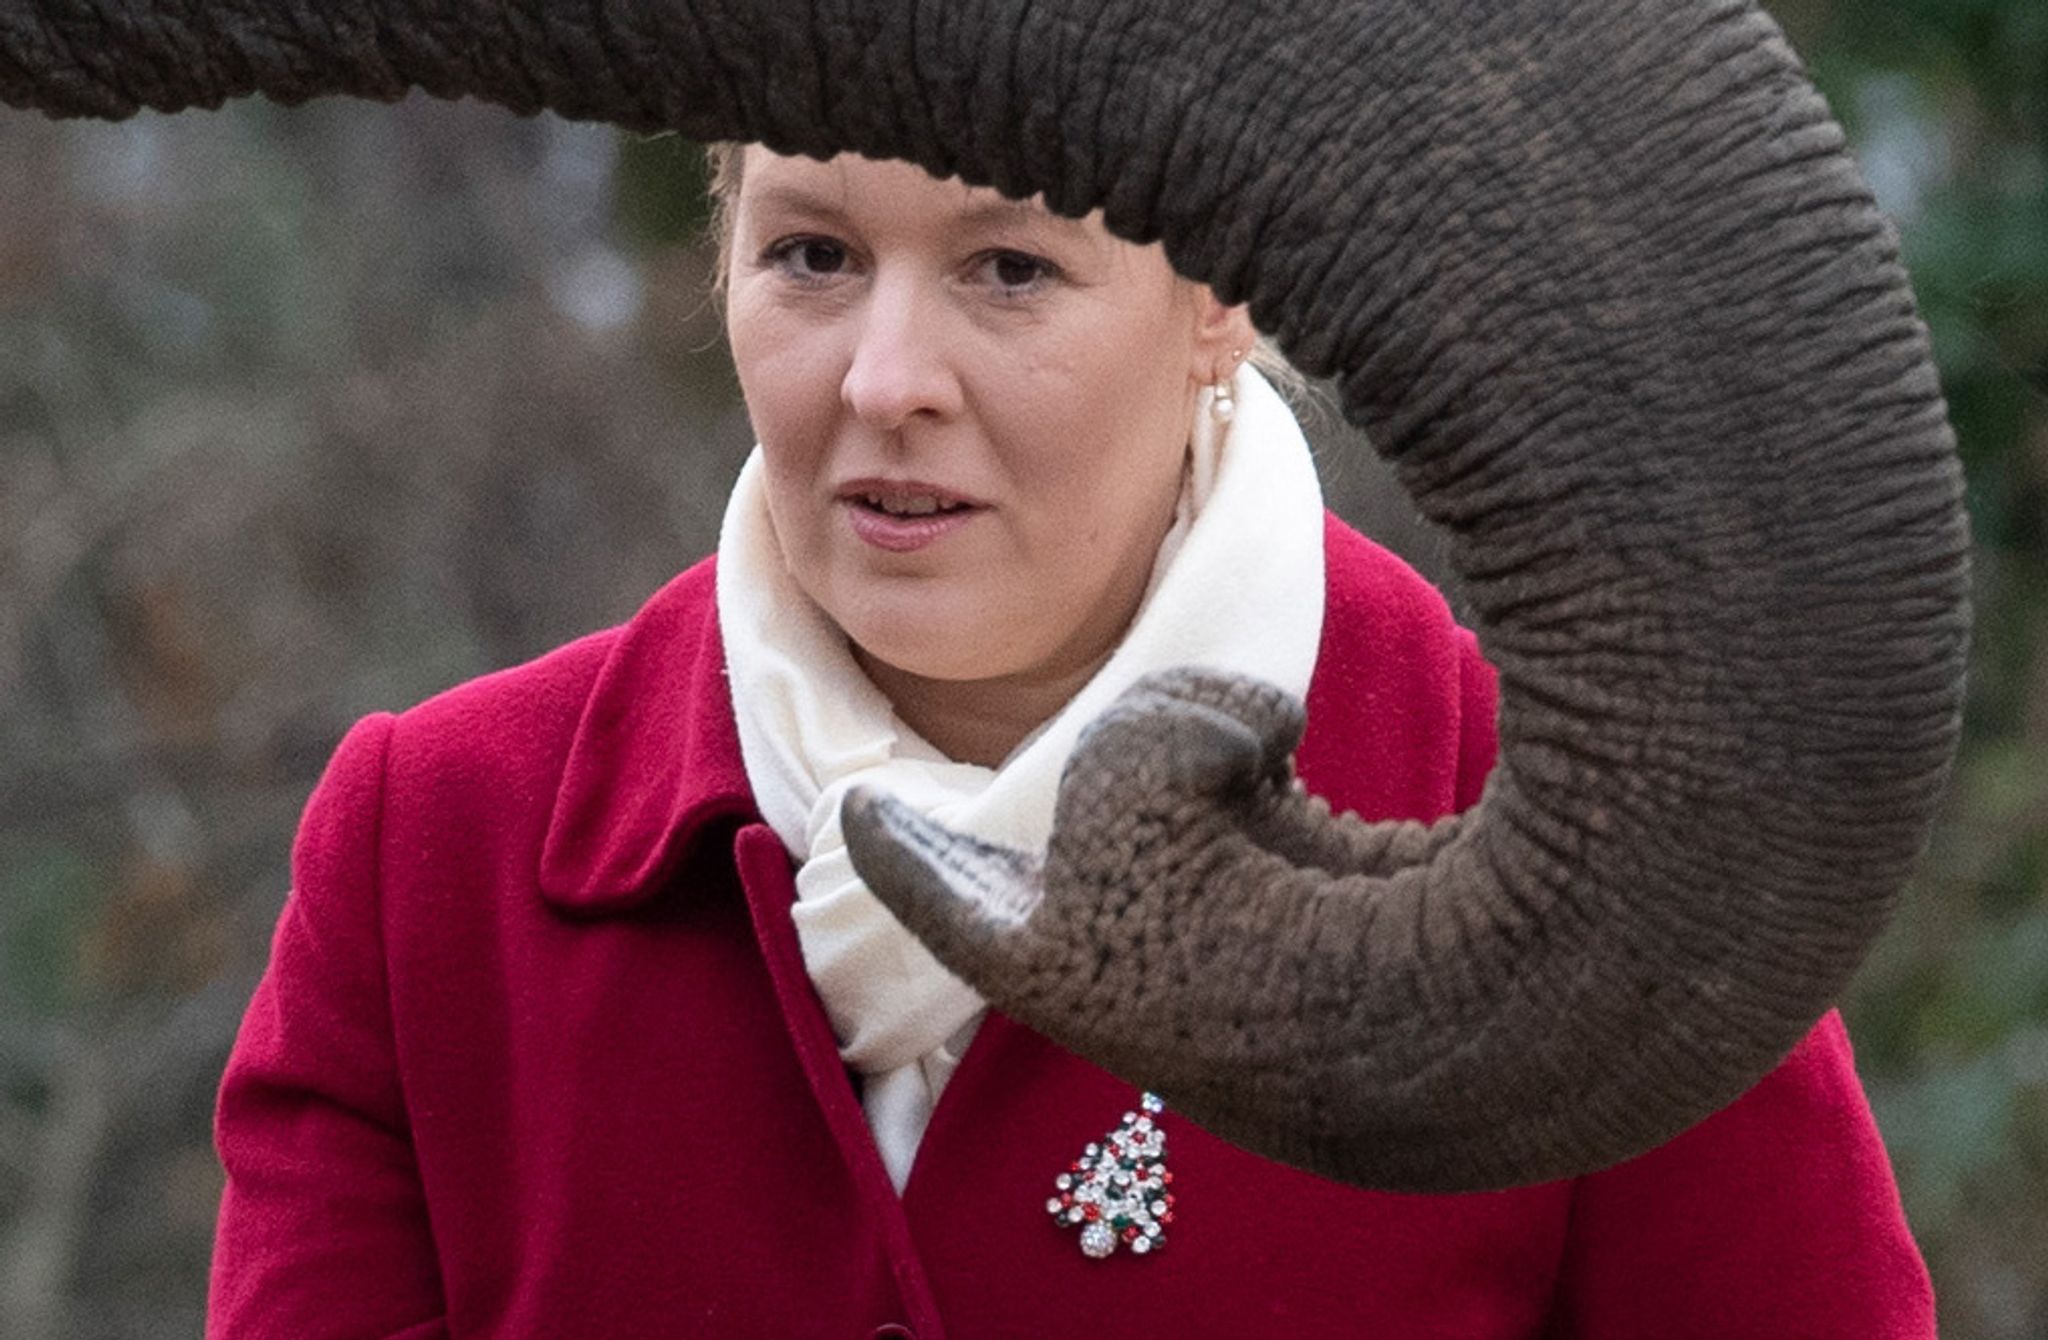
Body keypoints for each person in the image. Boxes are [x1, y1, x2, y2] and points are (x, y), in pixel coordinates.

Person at [207, 144, 1938, 1338]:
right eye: (812, 255)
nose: (885, 378)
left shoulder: (1589, 865)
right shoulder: (427, 853)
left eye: (1011, 268)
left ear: (1224, 294)